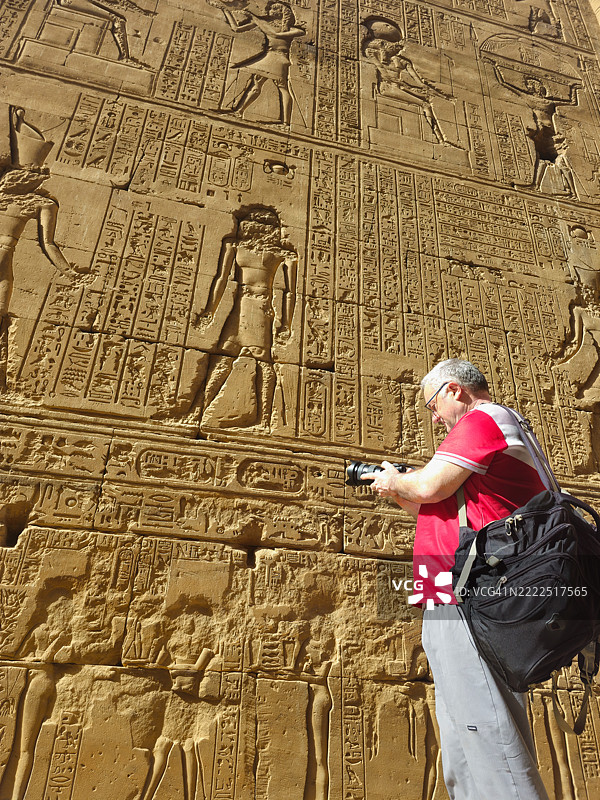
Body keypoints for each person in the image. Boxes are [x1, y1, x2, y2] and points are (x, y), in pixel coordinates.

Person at [364, 359, 550, 800]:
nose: (433, 418)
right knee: (464, 753)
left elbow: (429, 488)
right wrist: (396, 490)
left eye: (433, 406)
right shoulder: (497, 435)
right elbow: (434, 507)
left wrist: (397, 477)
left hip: (473, 592)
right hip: (456, 590)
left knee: (491, 738)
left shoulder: (485, 417)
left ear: (454, 391)